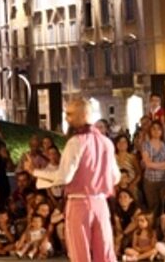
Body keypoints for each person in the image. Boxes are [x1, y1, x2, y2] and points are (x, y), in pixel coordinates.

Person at [27, 98, 121, 262]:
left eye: (70, 114)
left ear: (83, 114)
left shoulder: (76, 142)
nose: (66, 118)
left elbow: (64, 176)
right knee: (105, 254)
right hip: (100, 203)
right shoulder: (107, 142)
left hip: (79, 204)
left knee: (79, 253)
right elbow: (115, 177)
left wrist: (34, 171)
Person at [141, 120, 165, 221]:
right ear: (150, 131)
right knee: (153, 206)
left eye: (158, 129)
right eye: (153, 129)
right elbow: (147, 163)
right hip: (150, 180)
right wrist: (163, 164)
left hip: (164, 180)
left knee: (164, 205)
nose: (156, 131)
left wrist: (155, 165)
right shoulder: (146, 145)